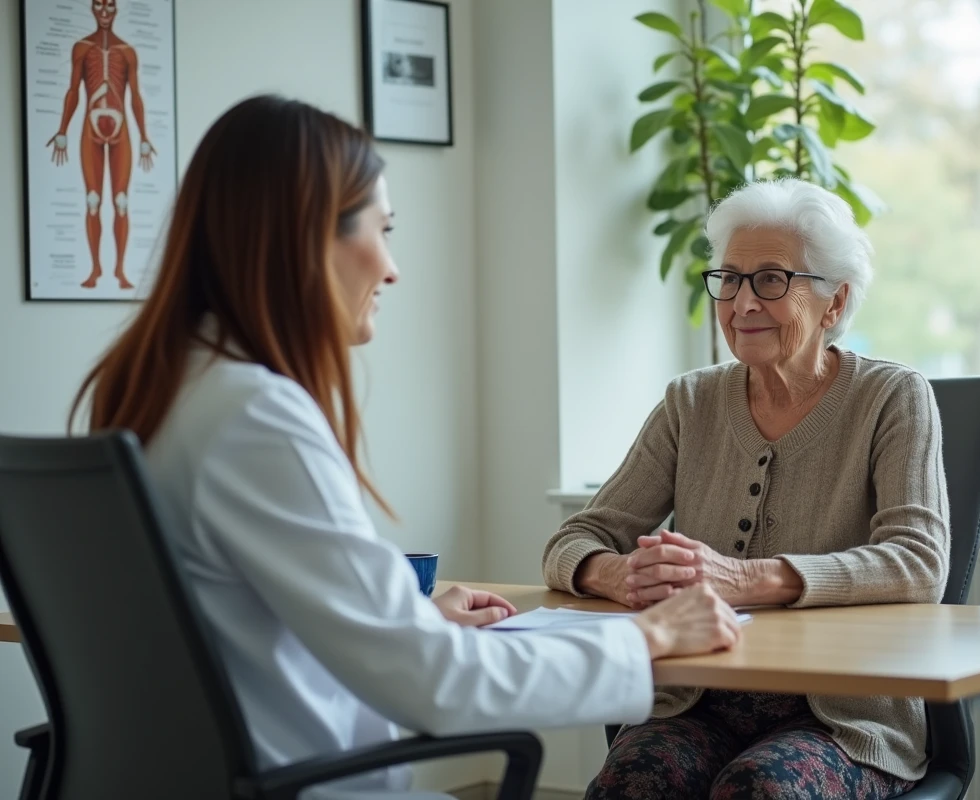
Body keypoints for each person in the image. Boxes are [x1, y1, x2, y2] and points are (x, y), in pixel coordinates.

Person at [69, 94, 742, 800]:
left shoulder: (159, 388)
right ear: (307, 237)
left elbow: (232, 613)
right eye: (381, 230)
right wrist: (648, 637)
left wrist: (404, 618)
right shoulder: (255, 418)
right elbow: (437, 685)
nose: (391, 269)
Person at [542, 179, 950, 800]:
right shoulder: (690, 401)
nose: (742, 302)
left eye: (771, 280)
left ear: (835, 302)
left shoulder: (893, 397)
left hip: (840, 715)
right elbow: (574, 540)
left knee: (762, 788)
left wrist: (745, 577)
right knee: (634, 781)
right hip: (696, 700)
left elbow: (918, 562)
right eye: (729, 279)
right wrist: (618, 574)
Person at [48, 0, 156, 290]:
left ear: (116, 9)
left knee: (121, 202)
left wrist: (144, 136)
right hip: (90, 127)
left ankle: (120, 271)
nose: (105, 12)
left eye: (110, 6)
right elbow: (73, 90)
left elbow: (135, 97)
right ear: (92, 10)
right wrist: (62, 129)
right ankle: (95, 269)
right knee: (93, 200)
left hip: (121, 130)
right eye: (99, 6)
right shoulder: (82, 48)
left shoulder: (128, 52)